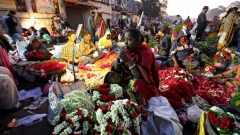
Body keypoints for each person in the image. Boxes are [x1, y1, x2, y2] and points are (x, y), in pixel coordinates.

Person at [105, 28, 159, 106]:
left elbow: (139, 76)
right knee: (110, 75)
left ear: (138, 41)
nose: (126, 42)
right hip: (125, 79)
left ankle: (132, 99)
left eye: (129, 40)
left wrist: (128, 61)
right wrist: (118, 59)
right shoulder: (128, 50)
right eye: (125, 39)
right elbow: (117, 70)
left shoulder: (146, 52)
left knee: (138, 85)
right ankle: (124, 93)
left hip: (138, 81)